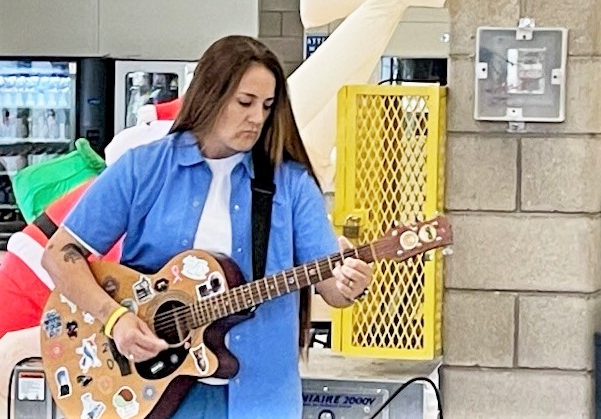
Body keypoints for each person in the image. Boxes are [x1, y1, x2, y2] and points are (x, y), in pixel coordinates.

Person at [41, 35, 372, 419]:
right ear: (210, 95)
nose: (257, 118)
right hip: (147, 392)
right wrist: (115, 319)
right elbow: (58, 255)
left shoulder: (291, 184)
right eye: (244, 103)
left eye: (267, 106)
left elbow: (332, 287)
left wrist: (351, 283)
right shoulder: (142, 168)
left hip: (260, 396)